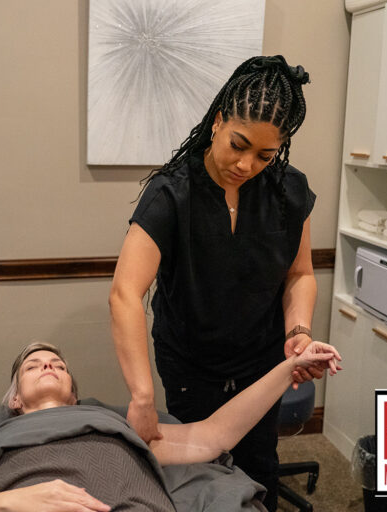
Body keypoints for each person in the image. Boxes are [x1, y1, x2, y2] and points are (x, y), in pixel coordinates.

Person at [108, 54, 316, 511]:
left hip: (260, 358)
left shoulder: (289, 191)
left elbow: (300, 274)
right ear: (219, 121)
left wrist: (298, 331)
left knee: (259, 466)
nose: (246, 164)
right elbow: (125, 293)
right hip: (191, 362)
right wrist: (141, 395)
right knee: (199, 475)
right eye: (238, 145)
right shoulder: (172, 192)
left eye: (264, 155)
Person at [0, 341, 341, 512]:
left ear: (74, 396)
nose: (48, 365)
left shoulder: (112, 424)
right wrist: (14, 500)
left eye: (58, 363)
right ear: (14, 400)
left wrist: (290, 367)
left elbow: (213, 437)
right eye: (33, 365)